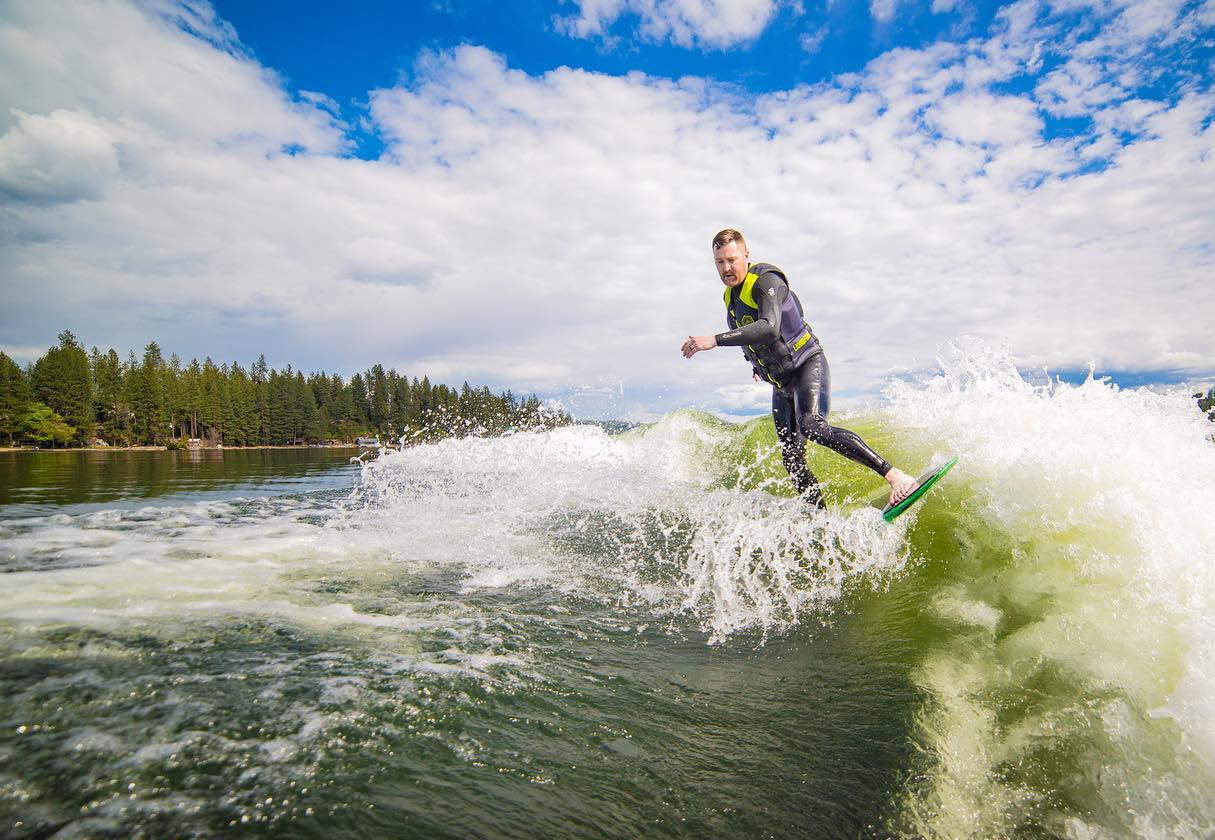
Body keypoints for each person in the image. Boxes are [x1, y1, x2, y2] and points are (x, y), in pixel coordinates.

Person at [681, 228, 918, 508]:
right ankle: (820, 517)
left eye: (732, 259)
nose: (726, 268)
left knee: (813, 426)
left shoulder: (766, 281)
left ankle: (896, 476)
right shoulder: (730, 297)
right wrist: (755, 363)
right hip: (781, 384)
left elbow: (768, 328)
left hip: (807, 364)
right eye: (719, 262)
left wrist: (715, 341)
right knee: (791, 458)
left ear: (746, 255)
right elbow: (749, 333)